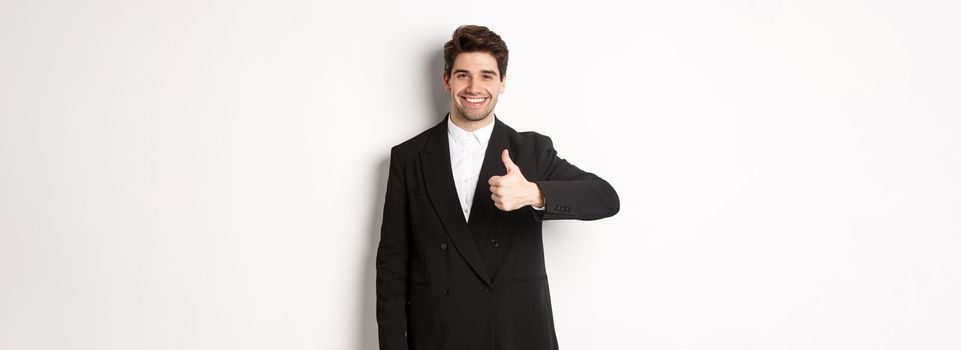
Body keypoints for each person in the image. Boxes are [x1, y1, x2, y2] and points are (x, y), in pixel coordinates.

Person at [376, 25, 620, 350]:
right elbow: (392, 264)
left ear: (503, 83)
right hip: (439, 334)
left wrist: (534, 193)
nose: (474, 87)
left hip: (515, 333)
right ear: (446, 80)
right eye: (463, 75)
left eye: (487, 75)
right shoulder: (409, 157)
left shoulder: (530, 151)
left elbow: (605, 198)